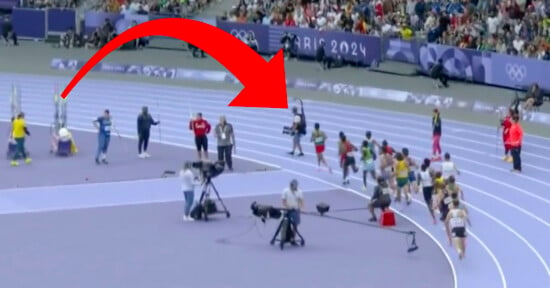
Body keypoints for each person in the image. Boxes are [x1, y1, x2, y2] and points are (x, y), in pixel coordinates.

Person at [282, 179, 304, 245]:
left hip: (295, 211)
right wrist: (288, 207)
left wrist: (301, 207)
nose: (292, 186)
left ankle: (292, 239)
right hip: (287, 210)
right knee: (285, 224)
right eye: (291, 185)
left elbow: (301, 201)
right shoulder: (285, 191)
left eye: (293, 185)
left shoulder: (299, 192)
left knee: (295, 225)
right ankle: (284, 237)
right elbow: (283, 201)